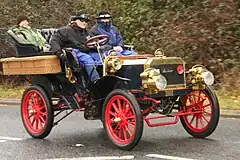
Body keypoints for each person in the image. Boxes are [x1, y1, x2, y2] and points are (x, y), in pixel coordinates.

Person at [50, 12, 100, 83]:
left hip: (87, 51)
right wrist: (59, 53)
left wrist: (96, 44)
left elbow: (94, 41)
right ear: (75, 20)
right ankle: (96, 82)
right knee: (88, 59)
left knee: (102, 58)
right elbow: (54, 41)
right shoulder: (65, 30)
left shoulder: (87, 32)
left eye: (86, 21)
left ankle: (106, 79)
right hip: (73, 52)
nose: (84, 23)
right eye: (82, 21)